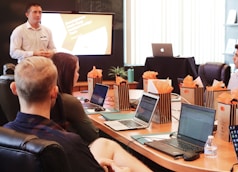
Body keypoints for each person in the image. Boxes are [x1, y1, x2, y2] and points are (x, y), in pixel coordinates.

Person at [4, 56, 151, 172]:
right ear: (54, 92)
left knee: (103, 144)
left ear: (14, 88)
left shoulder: (4, 135)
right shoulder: (67, 144)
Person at [50, 52, 99, 144]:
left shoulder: (46, 97)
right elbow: (93, 135)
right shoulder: (68, 101)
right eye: (76, 71)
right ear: (68, 74)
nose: (78, 75)